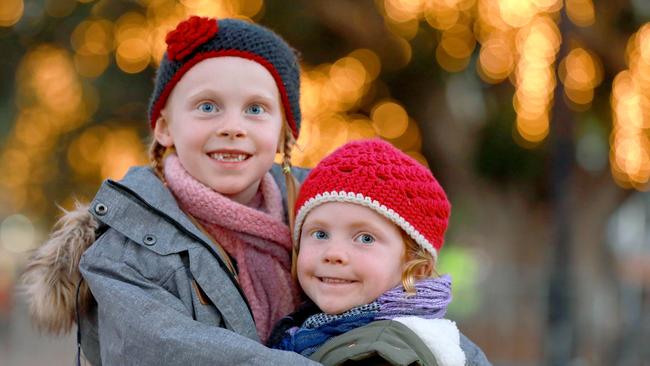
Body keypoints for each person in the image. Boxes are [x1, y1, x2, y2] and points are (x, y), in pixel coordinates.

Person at [21, 16, 320, 365]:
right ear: (165, 128)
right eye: (207, 107)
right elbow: (172, 351)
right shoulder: (124, 251)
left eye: (255, 109)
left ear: (285, 132)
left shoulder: (325, 220)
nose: (232, 127)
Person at [268, 139, 492, 366]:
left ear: (416, 266)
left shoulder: (385, 353)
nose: (334, 253)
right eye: (320, 234)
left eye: (365, 238)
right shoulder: (319, 327)